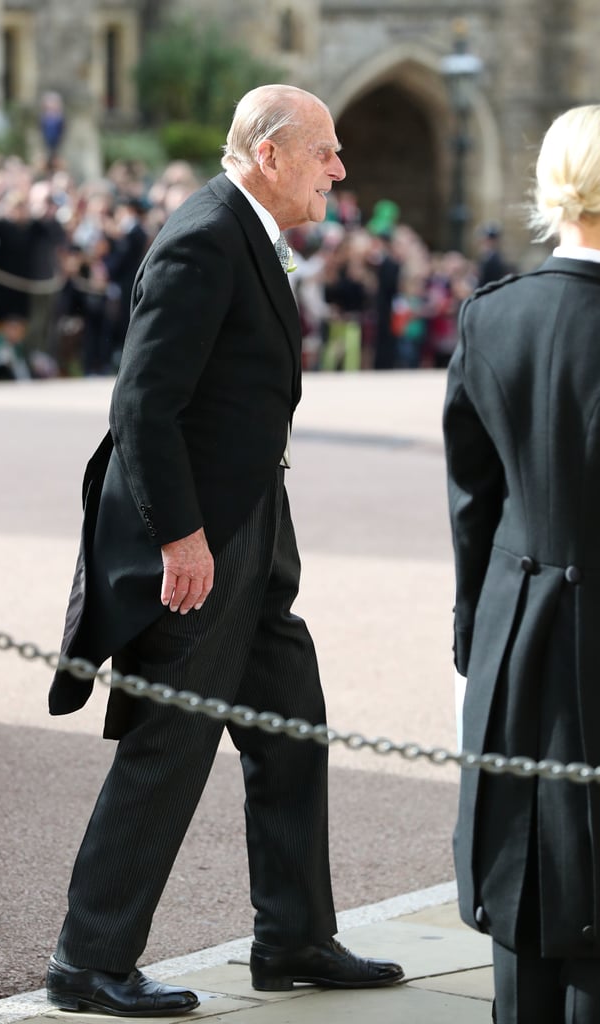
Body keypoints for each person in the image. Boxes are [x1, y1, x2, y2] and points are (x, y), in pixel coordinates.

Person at [46, 83, 404, 1017]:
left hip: (253, 531)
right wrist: (180, 536)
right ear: (267, 153)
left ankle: (291, 938)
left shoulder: (246, 232)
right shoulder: (205, 234)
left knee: (291, 728)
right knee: (169, 744)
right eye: (323, 151)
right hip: (199, 541)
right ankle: (88, 962)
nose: (338, 168)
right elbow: (142, 405)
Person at [443, 104, 600, 1024]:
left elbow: (472, 503)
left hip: (518, 615)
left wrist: (476, 629)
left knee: (524, 869)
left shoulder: (491, 319)